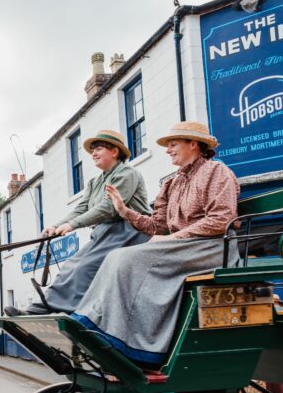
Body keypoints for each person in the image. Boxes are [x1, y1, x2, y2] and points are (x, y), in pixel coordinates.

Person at [70, 121, 240, 365]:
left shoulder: (216, 171)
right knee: (117, 256)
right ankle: (96, 322)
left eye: (173, 144)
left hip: (212, 247)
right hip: (182, 247)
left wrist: (173, 238)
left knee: (126, 258)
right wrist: (124, 210)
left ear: (194, 144)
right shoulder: (172, 183)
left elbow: (220, 219)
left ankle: (132, 343)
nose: (168, 150)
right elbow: (157, 226)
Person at [4, 130, 150, 315]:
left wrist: (73, 225)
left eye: (99, 149)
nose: (94, 154)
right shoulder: (94, 182)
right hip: (105, 234)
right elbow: (81, 208)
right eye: (92, 151)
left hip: (130, 232)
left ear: (115, 151)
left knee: (85, 268)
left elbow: (108, 208)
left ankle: (70, 313)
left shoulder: (127, 173)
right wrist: (57, 226)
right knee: (70, 266)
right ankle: (43, 308)